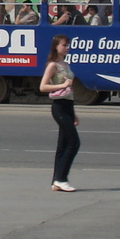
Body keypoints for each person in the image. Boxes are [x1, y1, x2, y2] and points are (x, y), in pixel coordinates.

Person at [39, 34, 79, 192]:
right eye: (64, 45)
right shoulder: (53, 65)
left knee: (62, 145)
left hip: (68, 105)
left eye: (68, 44)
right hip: (59, 106)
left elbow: (70, 92)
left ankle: (57, 180)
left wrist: (74, 113)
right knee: (74, 142)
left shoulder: (66, 64)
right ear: (56, 47)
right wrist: (62, 84)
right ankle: (62, 178)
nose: (67, 47)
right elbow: (43, 87)